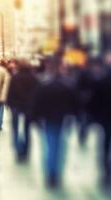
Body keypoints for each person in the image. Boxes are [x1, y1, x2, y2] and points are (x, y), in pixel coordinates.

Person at [33, 57, 79, 188]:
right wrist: (75, 116)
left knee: (49, 145)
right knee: (61, 146)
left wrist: (36, 118)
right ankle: (57, 173)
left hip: (47, 119)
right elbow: (75, 104)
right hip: (63, 118)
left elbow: (37, 103)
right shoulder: (68, 84)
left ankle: (49, 173)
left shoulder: (44, 84)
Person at [7, 60, 39, 161]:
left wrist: (9, 104)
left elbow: (10, 92)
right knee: (27, 129)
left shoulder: (15, 77)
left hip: (16, 106)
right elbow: (37, 94)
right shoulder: (34, 78)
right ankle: (25, 150)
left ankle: (17, 148)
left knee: (15, 127)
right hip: (29, 107)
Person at [88, 52, 111, 187]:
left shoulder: (100, 80)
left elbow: (94, 101)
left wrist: (94, 117)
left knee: (104, 145)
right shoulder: (100, 80)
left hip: (105, 119)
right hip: (105, 118)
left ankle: (105, 171)